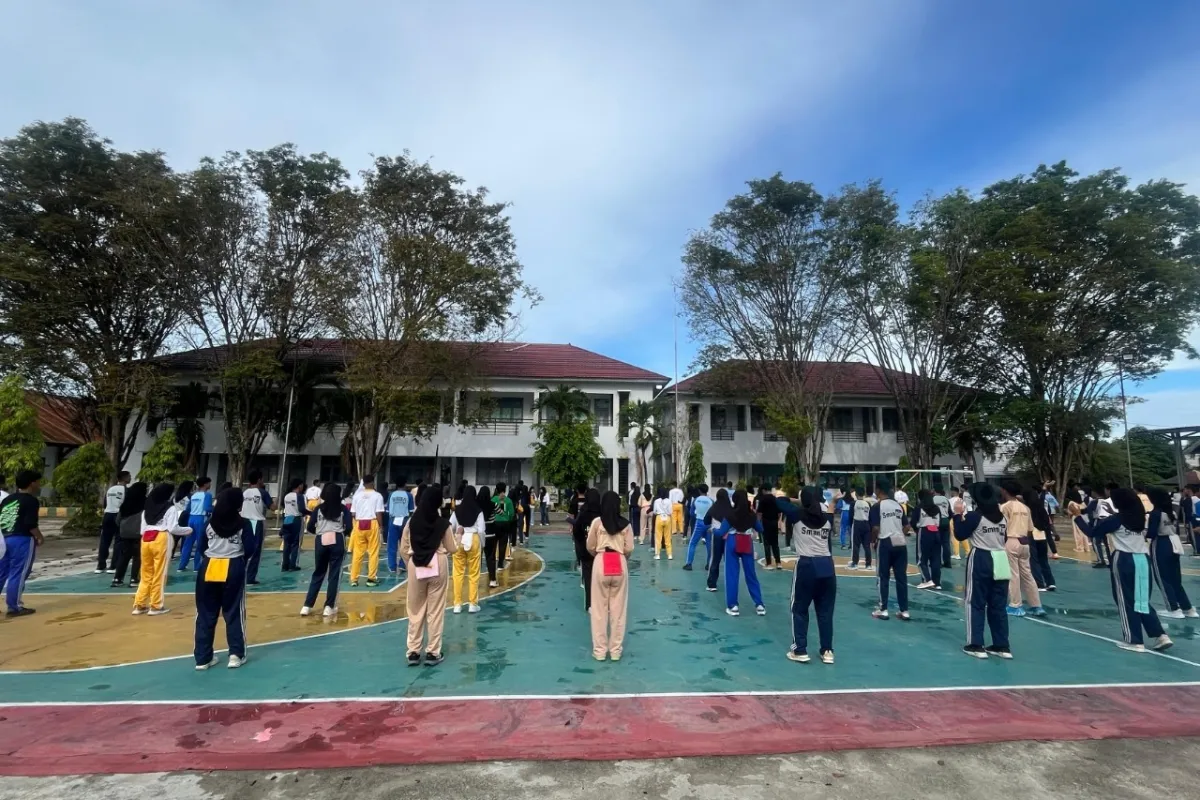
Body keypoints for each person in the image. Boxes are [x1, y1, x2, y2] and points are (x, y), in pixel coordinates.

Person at [1073, 488, 1173, 653]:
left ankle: (1134, 640)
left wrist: (1077, 516)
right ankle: (1160, 635)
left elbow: (1092, 532)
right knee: (1141, 600)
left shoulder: (1117, 520)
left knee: (1125, 600)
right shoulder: (1142, 518)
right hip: (1143, 559)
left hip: (1124, 559)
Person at [950, 483, 1012, 659]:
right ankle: (1002, 645)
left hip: (981, 557)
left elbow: (960, 535)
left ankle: (975, 644)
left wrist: (956, 514)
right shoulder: (1002, 518)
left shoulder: (974, 517)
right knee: (998, 604)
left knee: (975, 602)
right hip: (1001, 558)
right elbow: (1005, 537)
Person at [400, 484, 458, 666]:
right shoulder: (443, 523)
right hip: (437, 564)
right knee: (435, 610)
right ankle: (433, 652)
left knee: (415, 609)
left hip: (415, 563)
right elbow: (452, 548)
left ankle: (413, 651)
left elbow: (403, 548)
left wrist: (411, 561)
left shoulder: (411, 521)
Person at [778, 486, 837, 664]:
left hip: (806, 564)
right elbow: (830, 507)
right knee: (826, 612)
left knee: (800, 609)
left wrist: (794, 500)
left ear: (803, 500)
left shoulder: (797, 515)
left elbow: (778, 502)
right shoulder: (827, 517)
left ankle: (800, 649)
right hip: (827, 566)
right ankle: (827, 651)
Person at [194, 486, 249, 669]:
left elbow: (201, 546)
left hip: (210, 565)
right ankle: (236, 654)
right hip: (233, 565)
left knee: (205, 612)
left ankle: (203, 658)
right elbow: (250, 548)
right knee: (233, 611)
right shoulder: (243, 523)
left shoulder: (209, 523)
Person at [587, 490, 635, 661]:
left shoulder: (597, 523)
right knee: (618, 610)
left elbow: (590, 545)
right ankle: (615, 650)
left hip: (601, 561)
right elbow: (629, 548)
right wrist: (621, 557)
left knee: (599, 610)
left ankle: (600, 651)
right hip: (619, 561)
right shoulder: (626, 524)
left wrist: (598, 556)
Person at [132, 482, 191, 616]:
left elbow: (142, 529)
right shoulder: (170, 508)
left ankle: (139, 604)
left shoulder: (147, 508)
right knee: (160, 573)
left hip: (146, 539)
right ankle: (156, 605)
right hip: (162, 538)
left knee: (146, 573)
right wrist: (188, 530)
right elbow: (173, 528)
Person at [712, 489, 765, 617]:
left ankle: (733, 606)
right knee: (751, 574)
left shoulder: (730, 515)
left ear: (734, 500)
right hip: (747, 543)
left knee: (732, 575)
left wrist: (713, 530)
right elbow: (760, 529)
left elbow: (720, 533)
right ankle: (759, 605)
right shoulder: (751, 515)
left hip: (732, 542)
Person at [1146, 487, 1196, 619]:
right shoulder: (1171, 512)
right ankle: (1188, 608)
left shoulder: (1155, 513)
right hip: (1174, 542)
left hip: (1161, 543)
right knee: (1175, 579)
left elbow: (1151, 533)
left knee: (1162, 578)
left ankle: (1173, 608)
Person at [0, 470, 44, 617]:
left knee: (2, 572)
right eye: (38, 482)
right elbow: (30, 524)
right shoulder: (31, 500)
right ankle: (14, 606)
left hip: (4, 538)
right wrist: (39, 537)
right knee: (18, 572)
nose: (39, 485)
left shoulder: (8, 499)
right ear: (32, 483)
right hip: (21, 538)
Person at [302, 482, 350, 617]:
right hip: (337, 540)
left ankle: (307, 606)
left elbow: (310, 526)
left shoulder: (318, 509)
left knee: (318, 573)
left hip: (321, 540)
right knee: (334, 575)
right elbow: (350, 526)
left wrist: (319, 531)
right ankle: (329, 606)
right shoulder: (342, 509)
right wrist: (343, 532)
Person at [999, 481, 1043, 617]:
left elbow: (1002, 527)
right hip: (1025, 542)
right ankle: (1036, 605)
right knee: (1027, 575)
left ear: (1005, 491)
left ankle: (1015, 605)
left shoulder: (1004, 507)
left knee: (1013, 575)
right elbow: (1030, 529)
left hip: (1011, 540)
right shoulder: (1025, 508)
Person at [870, 479, 910, 621]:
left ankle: (883, 609)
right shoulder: (898, 506)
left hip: (885, 542)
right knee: (901, 577)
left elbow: (875, 528)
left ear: (879, 490)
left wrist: (873, 540)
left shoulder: (877, 507)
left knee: (883, 576)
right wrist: (898, 534)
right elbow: (906, 526)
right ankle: (904, 610)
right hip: (900, 543)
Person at [449, 485, 485, 614]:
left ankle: (457, 604)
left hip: (459, 539)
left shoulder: (457, 510)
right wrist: (482, 544)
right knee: (473, 573)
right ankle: (472, 603)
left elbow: (450, 526)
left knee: (457, 573)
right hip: (473, 539)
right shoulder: (478, 510)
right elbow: (481, 530)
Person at [347, 476, 385, 587]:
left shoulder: (357, 496)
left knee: (358, 552)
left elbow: (353, 513)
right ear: (373, 482)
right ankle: (371, 579)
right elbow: (379, 513)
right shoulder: (377, 496)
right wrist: (381, 526)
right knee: (373, 552)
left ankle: (354, 579)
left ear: (363, 483)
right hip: (372, 522)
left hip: (359, 523)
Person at [112, 481, 148, 587]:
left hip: (125, 533)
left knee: (124, 556)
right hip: (138, 532)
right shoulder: (144, 502)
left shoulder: (125, 503)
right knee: (138, 556)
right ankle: (134, 579)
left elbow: (118, 520)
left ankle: (117, 579)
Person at [240, 471, 272, 585]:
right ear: (259, 480)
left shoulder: (244, 492)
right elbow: (273, 507)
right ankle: (250, 577)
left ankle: (240, 573)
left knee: (243, 549)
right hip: (256, 522)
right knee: (255, 550)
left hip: (243, 521)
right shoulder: (262, 492)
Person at [573, 488, 603, 610]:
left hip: (586, 551)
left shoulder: (583, 513)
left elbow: (576, 531)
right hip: (601, 551)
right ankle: (602, 603)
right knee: (601, 578)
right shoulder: (602, 513)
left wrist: (581, 545)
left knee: (588, 577)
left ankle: (589, 604)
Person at [96, 471, 130, 573]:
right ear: (125, 478)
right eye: (129, 477)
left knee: (104, 540)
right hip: (118, 515)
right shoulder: (126, 490)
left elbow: (105, 503)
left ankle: (100, 566)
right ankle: (113, 566)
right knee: (118, 540)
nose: (130, 478)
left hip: (107, 514)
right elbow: (126, 504)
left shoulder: (110, 489)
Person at [1024, 486, 1056, 592]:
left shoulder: (1027, 509)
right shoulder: (1041, 508)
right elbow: (1047, 523)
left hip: (1031, 534)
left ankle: (1039, 583)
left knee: (1034, 560)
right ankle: (1050, 582)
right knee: (1043, 560)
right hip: (1042, 535)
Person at [178, 477, 213, 572]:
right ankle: (197, 567)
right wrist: (214, 508)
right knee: (199, 542)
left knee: (188, 543)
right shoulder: (207, 495)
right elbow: (207, 508)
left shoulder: (193, 495)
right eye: (209, 483)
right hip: (201, 519)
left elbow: (188, 509)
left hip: (191, 518)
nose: (210, 485)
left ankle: (181, 566)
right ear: (205, 484)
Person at [912, 489, 944, 591]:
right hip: (936, 532)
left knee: (921, 558)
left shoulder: (919, 508)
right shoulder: (936, 508)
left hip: (924, 532)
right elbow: (941, 522)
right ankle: (937, 583)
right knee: (935, 559)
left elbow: (913, 522)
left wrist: (917, 529)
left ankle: (927, 580)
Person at [704, 489, 733, 592]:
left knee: (714, 559)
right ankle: (730, 584)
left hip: (716, 534)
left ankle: (712, 584)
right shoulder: (731, 509)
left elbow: (706, 520)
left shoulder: (714, 508)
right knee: (729, 560)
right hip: (728, 535)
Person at [277, 479, 306, 572]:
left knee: (287, 543)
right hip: (296, 519)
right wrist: (311, 513)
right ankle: (292, 565)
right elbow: (302, 509)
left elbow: (284, 507)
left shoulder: (286, 496)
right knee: (295, 543)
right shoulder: (299, 496)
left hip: (287, 518)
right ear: (299, 486)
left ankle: (285, 564)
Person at [684, 484, 714, 570]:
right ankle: (709, 564)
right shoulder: (711, 501)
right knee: (709, 544)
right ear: (707, 491)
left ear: (699, 491)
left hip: (699, 522)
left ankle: (689, 564)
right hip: (709, 524)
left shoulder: (696, 500)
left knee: (693, 543)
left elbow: (692, 513)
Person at [387, 479, 413, 574]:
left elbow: (388, 510)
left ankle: (392, 566)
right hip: (404, 520)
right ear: (405, 484)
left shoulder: (391, 495)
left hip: (393, 520)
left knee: (392, 545)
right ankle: (402, 564)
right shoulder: (408, 495)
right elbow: (411, 510)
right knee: (404, 543)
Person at [757, 484, 782, 570]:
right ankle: (778, 563)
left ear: (764, 490)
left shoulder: (762, 499)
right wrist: (776, 520)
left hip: (766, 522)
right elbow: (779, 513)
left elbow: (759, 513)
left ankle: (769, 564)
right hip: (774, 522)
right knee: (775, 543)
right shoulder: (775, 499)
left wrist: (758, 523)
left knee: (767, 544)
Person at [492, 482, 516, 570]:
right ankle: (500, 564)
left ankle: (493, 561)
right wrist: (507, 519)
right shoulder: (508, 500)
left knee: (493, 543)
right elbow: (512, 513)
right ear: (505, 490)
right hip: (505, 523)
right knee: (503, 544)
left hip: (494, 523)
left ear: (496, 489)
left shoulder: (493, 499)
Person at [848, 489, 872, 570]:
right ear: (864, 494)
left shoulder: (853, 503)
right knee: (867, 545)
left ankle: (855, 563)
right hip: (866, 524)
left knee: (856, 544)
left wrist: (851, 525)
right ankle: (868, 564)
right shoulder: (868, 504)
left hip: (857, 524)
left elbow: (851, 515)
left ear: (856, 494)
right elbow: (870, 516)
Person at [932, 485, 952, 569]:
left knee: (936, 544)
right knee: (946, 543)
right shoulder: (946, 499)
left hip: (936, 522)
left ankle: (937, 562)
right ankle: (947, 563)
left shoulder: (932, 499)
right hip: (945, 521)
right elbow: (950, 512)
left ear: (935, 491)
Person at [652, 487, 674, 560]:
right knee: (668, 537)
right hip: (667, 518)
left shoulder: (656, 501)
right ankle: (669, 554)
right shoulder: (669, 501)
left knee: (658, 537)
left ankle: (657, 554)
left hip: (659, 517)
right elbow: (671, 512)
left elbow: (654, 511)